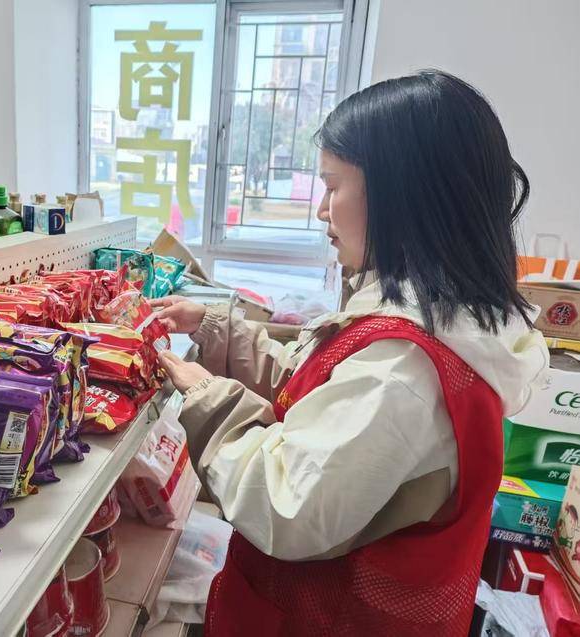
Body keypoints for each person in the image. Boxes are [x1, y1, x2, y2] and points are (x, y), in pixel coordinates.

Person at [153, 70, 548, 636]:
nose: (322, 210)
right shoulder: (435, 320)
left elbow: (286, 504)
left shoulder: (405, 370)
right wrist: (218, 329)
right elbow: (322, 393)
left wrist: (205, 398)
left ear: (401, 195)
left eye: (333, 186)